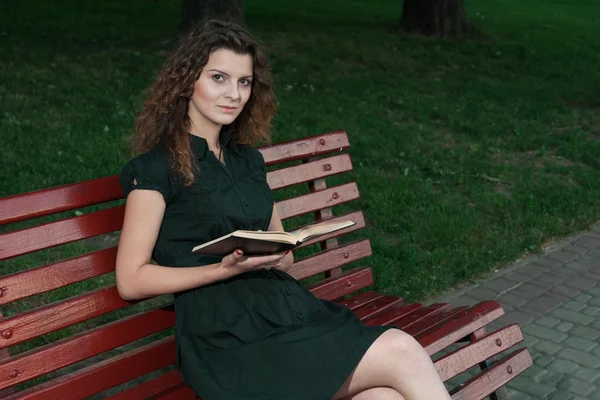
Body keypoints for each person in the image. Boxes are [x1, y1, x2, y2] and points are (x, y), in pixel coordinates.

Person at [116, 19, 451, 400]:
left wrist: (276, 254)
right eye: (219, 78)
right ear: (187, 82)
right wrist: (221, 269)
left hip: (284, 315)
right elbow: (131, 280)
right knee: (400, 349)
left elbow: (283, 254)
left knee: (383, 398)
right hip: (227, 341)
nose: (234, 94)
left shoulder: (248, 162)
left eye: (244, 82)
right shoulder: (155, 170)